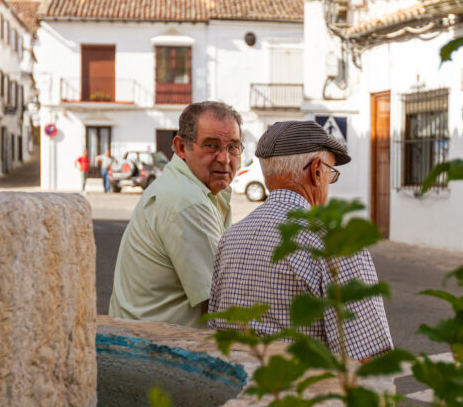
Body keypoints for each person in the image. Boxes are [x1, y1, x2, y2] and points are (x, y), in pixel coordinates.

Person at [208, 121, 393, 362]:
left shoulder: (230, 239)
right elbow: (368, 360)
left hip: (240, 394)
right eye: (331, 173)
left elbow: (215, 332)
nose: (329, 182)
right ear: (316, 171)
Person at [109, 101, 242, 326]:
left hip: (141, 337)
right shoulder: (187, 201)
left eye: (233, 147)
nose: (225, 158)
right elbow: (223, 302)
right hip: (155, 349)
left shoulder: (188, 187)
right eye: (211, 146)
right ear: (181, 148)